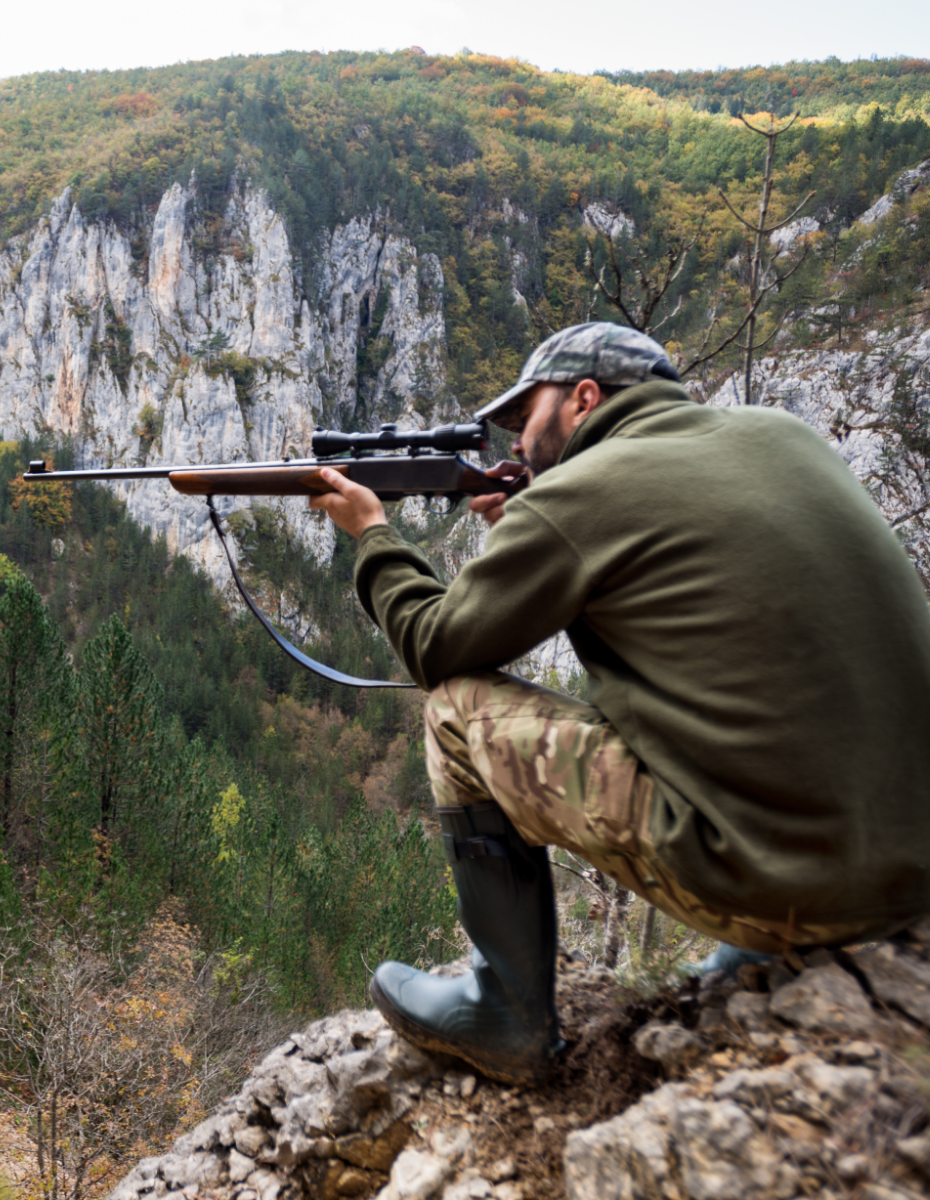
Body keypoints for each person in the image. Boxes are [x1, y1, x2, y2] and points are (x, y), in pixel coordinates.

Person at [309, 322, 930, 1085]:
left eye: (525, 417)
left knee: (455, 711)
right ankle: (781, 924)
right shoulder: (781, 434)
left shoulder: (583, 490)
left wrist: (372, 534)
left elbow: (435, 645)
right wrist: (543, 538)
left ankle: (505, 1011)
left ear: (585, 398)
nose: (517, 442)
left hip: (782, 880)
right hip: (909, 872)